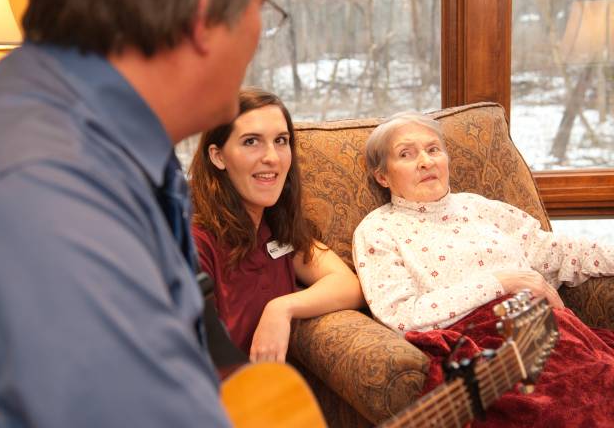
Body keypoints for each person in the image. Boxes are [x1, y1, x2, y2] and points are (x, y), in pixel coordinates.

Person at [0, 0, 281, 426]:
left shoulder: (121, 145)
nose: (261, 34)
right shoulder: (49, 193)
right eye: (263, 4)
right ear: (202, 18)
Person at [353, 112, 614, 426]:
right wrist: (504, 281)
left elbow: (556, 251)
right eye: (406, 154)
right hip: (487, 345)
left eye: (434, 149)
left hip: (553, 329)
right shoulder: (379, 230)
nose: (425, 161)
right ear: (383, 176)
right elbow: (401, 315)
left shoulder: (481, 208)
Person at [189, 87, 364, 364]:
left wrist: (282, 308)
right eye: (251, 142)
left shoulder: (275, 224)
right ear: (218, 156)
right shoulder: (195, 243)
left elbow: (348, 285)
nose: (272, 156)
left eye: (281, 141)